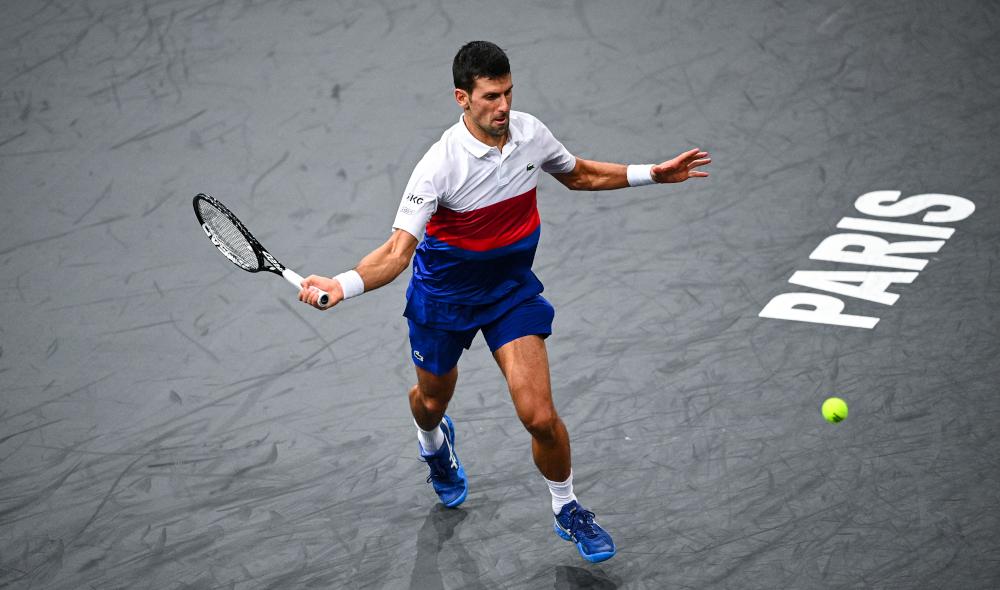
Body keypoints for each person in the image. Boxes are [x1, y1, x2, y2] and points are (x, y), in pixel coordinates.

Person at [298, 40, 710, 564]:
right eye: (491, 96)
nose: (504, 107)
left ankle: (568, 507)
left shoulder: (530, 134)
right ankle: (433, 444)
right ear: (462, 98)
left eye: (509, 93)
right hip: (443, 300)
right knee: (430, 401)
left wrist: (653, 172)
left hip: (509, 293)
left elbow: (578, 173)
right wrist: (341, 283)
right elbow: (397, 252)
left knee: (539, 415)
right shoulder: (437, 168)